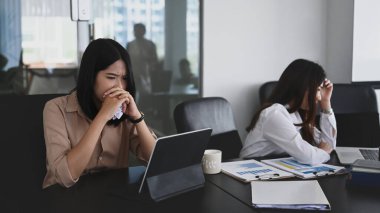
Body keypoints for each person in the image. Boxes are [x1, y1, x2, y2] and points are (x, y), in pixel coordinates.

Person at [42, 38, 156, 188]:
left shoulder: (124, 109)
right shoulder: (55, 109)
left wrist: (137, 118)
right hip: (65, 197)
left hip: (111, 195)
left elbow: (154, 159)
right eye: (111, 77)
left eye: (124, 78)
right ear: (90, 76)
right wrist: (102, 116)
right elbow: (64, 177)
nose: (120, 86)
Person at [240, 59, 336, 165]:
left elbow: (328, 143)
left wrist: (326, 103)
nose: (319, 97)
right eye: (317, 90)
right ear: (302, 87)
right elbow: (310, 156)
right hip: (252, 171)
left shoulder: (297, 113)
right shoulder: (274, 114)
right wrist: (324, 152)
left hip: (275, 168)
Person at [126, 23, 158, 102]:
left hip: (146, 75)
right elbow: (126, 60)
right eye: (135, 30)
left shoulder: (150, 44)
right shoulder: (130, 45)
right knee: (132, 97)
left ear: (144, 31)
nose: (136, 32)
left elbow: (155, 60)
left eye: (139, 30)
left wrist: (147, 59)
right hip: (132, 74)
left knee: (146, 98)